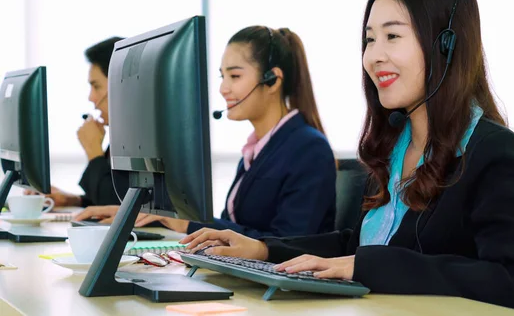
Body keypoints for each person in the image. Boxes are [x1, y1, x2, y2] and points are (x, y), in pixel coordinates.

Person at [177, 0, 514, 313]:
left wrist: (366, 265)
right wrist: (264, 250)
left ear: (446, 44)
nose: (373, 56)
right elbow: (355, 244)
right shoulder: (396, 147)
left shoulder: (495, 154)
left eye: (392, 36)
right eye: (369, 39)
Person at [74, 26, 338, 239]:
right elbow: (238, 227)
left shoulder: (307, 147)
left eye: (234, 77)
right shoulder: (257, 149)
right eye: (222, 77)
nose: (223, 88)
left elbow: (290, 243)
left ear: (272, 80)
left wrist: (189, 224)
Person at [25, 37, 125, 207]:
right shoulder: (123, 135)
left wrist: (94, 152)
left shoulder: (149, 137)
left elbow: (125, 209)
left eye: (96, 86)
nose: (91, 98)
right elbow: (117, 200)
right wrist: (75, 200)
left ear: (121, 84)